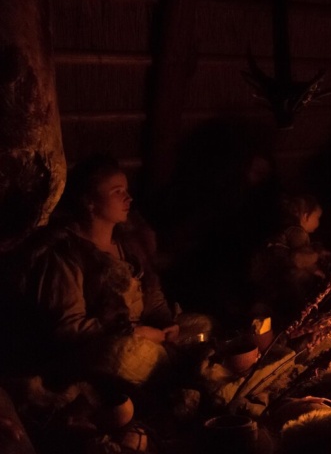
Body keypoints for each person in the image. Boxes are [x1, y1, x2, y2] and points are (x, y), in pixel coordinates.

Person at [18, 154, 208, 388]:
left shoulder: (128, 244)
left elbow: (152, 295)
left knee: (201, 326)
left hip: (145, 336)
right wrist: (133, 333)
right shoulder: (66, 254)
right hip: (100, 348)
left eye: (126, 190)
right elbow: (68, 328)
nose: (128, 198)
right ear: (89, 202)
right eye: (117, 192)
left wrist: (166, 323)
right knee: (126, 355)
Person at [250, 193, 331, 332]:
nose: (318, 222)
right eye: (317, 217)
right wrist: (317, 257)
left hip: (266, 281)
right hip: (278, 282)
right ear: (306, 216)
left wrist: (317, 270)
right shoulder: (297, 232)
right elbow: (300, 259)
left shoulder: (284, 229)